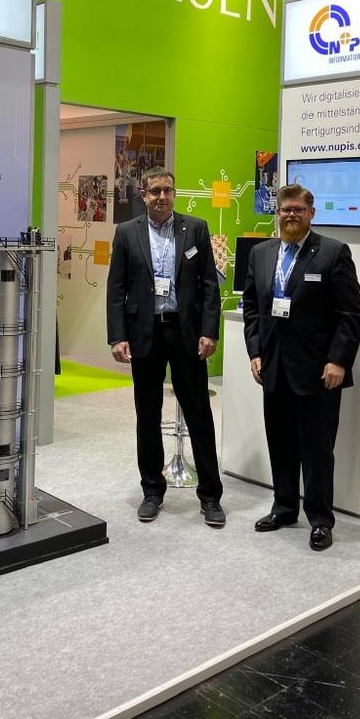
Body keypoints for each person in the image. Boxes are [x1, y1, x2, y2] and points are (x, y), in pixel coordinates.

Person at [241, 184, 360, 551]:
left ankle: (321, 519)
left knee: (317, 449)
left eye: (298, 209)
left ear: (311, 213)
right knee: (280, 443)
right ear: (276, 213)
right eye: (285, 210)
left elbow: (350, 313)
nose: (291, 215)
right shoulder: (261, 254)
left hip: (318, 372)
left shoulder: (332, 252)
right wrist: (255, 352)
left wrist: (338, 360)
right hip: (273, 368)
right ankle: (283, 508)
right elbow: (252, 308)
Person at [106, 167, 225, 527]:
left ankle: (211, 496)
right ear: (143, 195)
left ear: (175, 194)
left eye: (168, 190)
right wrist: (117, 336)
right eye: (155, 191)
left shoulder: (196, 228)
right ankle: (152, 491)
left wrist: (210, 331)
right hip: (145, 333)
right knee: (148, 415)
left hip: (185, 331)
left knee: (199, 414)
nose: (162, 196)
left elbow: (209, 285)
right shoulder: (127, 232)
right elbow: (116, 288)